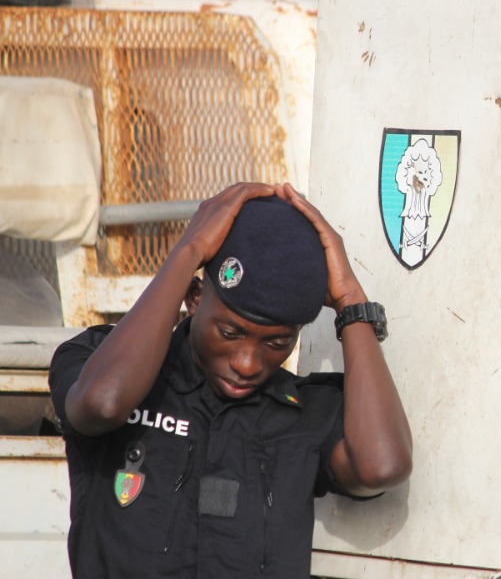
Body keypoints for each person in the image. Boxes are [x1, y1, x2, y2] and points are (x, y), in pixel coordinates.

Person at [48, 182, 412, 578]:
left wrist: (351, 301)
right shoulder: (98, 363)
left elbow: (383, 465)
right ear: (194, 297)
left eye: (277, 342)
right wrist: (187, 252)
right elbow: (104, 402)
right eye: (229, 333)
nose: (247, 363)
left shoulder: (302, 415)